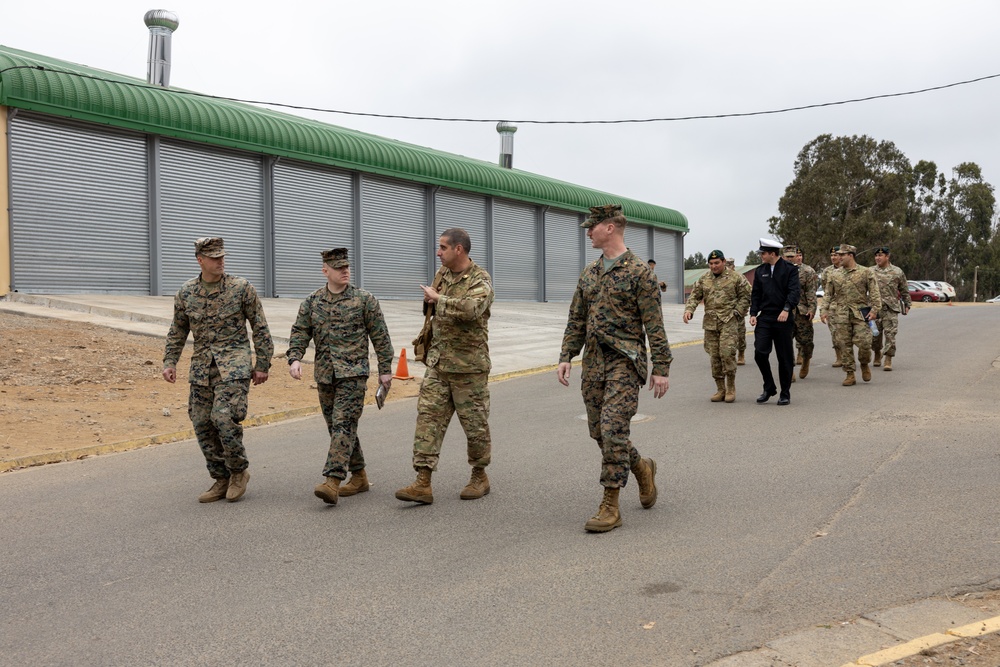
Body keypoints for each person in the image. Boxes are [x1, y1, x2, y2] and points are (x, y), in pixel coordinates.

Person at [558, 205, 671, 533]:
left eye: (591, 227)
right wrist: (566, 355)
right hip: (593, 363)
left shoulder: (639, 272)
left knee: (612, 430)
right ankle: (641, 468)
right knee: (599, 432)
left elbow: (655, 325)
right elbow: (576, 318)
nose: (587, 232)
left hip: (625, 361)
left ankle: (610, 505)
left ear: (609, 228)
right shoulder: (589, 273)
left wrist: (660, 367)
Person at [163, 237, 273, 503]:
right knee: (201, 422)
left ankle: (238, 472)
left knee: (223, 418)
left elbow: (260, 327)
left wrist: (262, 364)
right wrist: (170, 361)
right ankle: (220, 478)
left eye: (222, 256)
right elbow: (178, 329)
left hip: (234, 364)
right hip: (201, 367)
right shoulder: (187, 292)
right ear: (200, 260)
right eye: (214, 258)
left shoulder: (241, 288)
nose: (221, 261)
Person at [286, 248, 394, 505]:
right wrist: (294, 358)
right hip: (325, 374)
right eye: (339, 268)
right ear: (326, 271)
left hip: (354, 374)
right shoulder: (312, 302)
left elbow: (380, 335)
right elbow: (300, 332)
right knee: (338, 428)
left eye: (347, 267)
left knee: (343, 423)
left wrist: (386, 369)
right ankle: (359, 477)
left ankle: (332, 481)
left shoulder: (364, 300)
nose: (345, 271)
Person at [396, 228, 494, 505]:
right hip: (439, 365)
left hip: (469, 368)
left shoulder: (480, 279)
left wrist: (439, 300)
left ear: (458, 249)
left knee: (475, 426)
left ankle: (479, 475)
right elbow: (434, 310)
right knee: (428, 420)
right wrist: (430, 301)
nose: (438, 252)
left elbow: (472, 310)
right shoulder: (442, 275)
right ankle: (422, 482)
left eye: (442, 248)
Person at [683, 249, 751, 403]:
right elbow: (695, 296)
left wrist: (737, 312)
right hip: (710, 323)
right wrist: (689, 310)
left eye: (717, 263)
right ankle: (720, 389)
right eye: (711, 264)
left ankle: (731, 387)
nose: (714, 266)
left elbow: (746, 296)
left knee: (727, 354)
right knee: (714, 357)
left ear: (724, 262)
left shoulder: (736, 278)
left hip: (729, 321)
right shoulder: (704, 279)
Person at [820, 244, 882, 386]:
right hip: (841, 313)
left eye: (842, 255)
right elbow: (828, 294)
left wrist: (875, 310)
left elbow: (874, 293)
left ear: (851, 255)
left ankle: (864, 363)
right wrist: (824, 310)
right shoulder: (834, 274)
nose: (838, 257)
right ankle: (850, 373)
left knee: (865, 343)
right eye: (838, 255)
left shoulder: (866, 272)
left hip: (861, 313)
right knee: (844, 345)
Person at [749, 238, 800, 406]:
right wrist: (753, 313)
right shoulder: (760, 271)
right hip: (766, 317)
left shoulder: (789, 270)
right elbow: (756, 294)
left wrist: (786, 309)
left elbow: (794, 292)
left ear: (772, 253)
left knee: (784, 357)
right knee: (760, 353)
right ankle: (769, 386)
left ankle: (785, 392)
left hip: (783, 318)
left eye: (763, 253)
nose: (761, 256)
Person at [871, 246, 911, 371]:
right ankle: (877, 353)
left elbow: (904, 289)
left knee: (890, 335)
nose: (878, 258)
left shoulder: (897, 272)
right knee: (875, 335)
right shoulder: (869, 271)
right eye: (876, 255)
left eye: (880, 256)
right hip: (874, 309)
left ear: (887, 256)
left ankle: (888, 358)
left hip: (890, 308)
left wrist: (907, 303)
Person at [783, 245, 818, 380]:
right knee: (785, 342)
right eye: (788, 256)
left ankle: (806, 360)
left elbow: (811, 292)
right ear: (783, 257)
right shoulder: (779, 271)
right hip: (785, 312)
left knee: (806, 341)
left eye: (794, 256)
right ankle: (789, 369)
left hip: (802, 311)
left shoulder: (807, 271)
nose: (791, 259)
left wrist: (812, 309)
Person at [821, 247, 846, 367]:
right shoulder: (827, 272)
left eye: (836, 255)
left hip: (845, 306)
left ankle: (847, 356)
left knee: (846, 333)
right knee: (835, 333)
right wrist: (824, 308)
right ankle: (839, 357)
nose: (833, 257)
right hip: (832, 307)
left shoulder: (847, 269)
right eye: (832, 255)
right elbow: (826, 290)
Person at [726, 258, 750, 365]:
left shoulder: (739, 277)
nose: (727, 268)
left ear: (733, 266)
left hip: (738, 312)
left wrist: (742, 308)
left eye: (729, 266)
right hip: (724, 313)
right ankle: (728, 356)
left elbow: (748, 293)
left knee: (740, 335)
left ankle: (741, 354)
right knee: (726, 337)